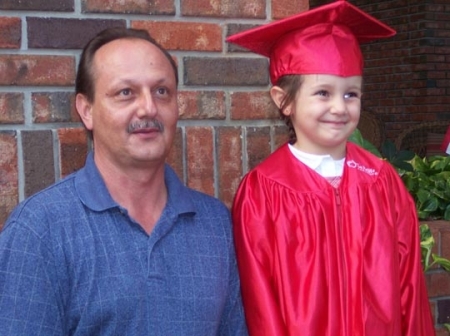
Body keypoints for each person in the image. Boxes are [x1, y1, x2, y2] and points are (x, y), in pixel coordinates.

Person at [0, 27, 248, 335]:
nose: (148, 107)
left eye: (162, 91)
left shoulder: (215, 224)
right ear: (86, 110)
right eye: (125, 93)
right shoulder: (40, 231)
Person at [227, 1, 435, 335]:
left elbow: (409, 284)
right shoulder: (263, 191)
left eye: (351, 93)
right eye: (323, 93)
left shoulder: (382, 181)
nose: (339, 107)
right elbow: (260, 301)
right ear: (284, 100)